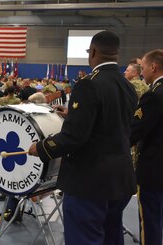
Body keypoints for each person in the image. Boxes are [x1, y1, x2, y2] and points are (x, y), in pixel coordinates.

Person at [28, 31, 137, 244]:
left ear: (93, 52)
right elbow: (114, 121)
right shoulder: (128, 86)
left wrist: (41, 148)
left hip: (90, 181)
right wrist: (75, 115)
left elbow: (73, 137)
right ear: (116, 53)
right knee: (111, 237)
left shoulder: (88, 84)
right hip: (120, 178)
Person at [130, 49, 163, 245]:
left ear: (153, 67)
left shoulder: (153, 95)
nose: (142, 73)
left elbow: (135, 131)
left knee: (149, 222)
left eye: (142, 68)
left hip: (152, 169)